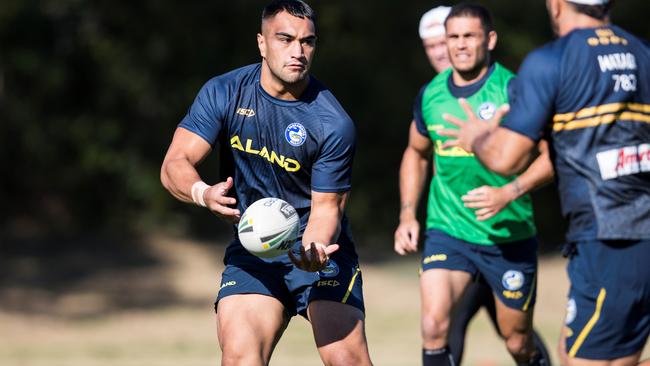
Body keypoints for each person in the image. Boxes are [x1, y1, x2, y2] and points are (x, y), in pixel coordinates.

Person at [160, 1, 373, 365]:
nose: (298, 52)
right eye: (285, 39)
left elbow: (327, 209)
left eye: (307, 42)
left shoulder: (332, 122)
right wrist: (203, 193)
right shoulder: (225, 92)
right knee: (240, 357)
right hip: (255, 250)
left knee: (346, 359)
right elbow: (174, 164)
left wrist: (314, 249)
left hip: (315, 250)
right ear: (262, 43)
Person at [440, 0, 650, 365]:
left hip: (610, 238)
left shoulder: (553, 60)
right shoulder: (642, 52)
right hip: (632, 235)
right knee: (572, 356)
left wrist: (477, 136)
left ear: (555, 5)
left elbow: (506, 158)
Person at [394, 4, 554, 365]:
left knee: (518, 343)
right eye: (453, 37)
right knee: (434, 325)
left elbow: (553, 157)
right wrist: (408, 215)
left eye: (470, 36)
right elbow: (416, 153)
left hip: (507, 238)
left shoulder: (514, 90)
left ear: (490, 40)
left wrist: (508, 192)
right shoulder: (431, 95)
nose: (460, 45)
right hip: (448, 230)